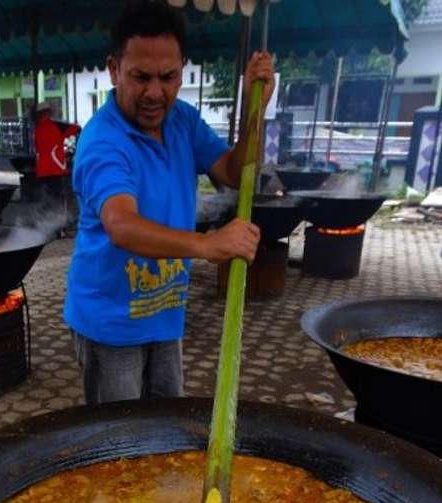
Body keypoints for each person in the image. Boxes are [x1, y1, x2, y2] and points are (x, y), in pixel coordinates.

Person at [64, 0, 273, 405]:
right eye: (140, 77)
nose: (155, 93)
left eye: (168, 77)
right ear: (114, 69)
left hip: (165, 315)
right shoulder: (103, 142)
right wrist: (207, 246)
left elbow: (234, 170)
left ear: (182, 71)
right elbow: (122, 224)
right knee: (121, 446)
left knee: (166, 431)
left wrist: (255, 108)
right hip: (112, 325)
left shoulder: (183, 122)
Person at [33, 101, 81, 234]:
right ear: (48, 112)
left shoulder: (37, 130)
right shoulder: (56, 126)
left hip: (42, 171)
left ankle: (47, 228)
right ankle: (60, 229)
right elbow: (77, 129)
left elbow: (38, 148)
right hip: (56, 169)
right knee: (59, 200)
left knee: (47, 198)